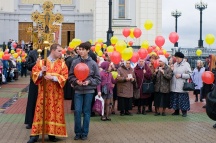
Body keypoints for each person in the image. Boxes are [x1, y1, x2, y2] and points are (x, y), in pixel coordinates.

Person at [27, 44, 68, 143]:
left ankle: (52, 133)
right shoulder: (41, 62)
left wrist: (54, 78)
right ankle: (35, 135)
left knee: (54, 112)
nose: (60, 53)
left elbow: (65, 77)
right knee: (40, 112)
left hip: (56, 94)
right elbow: (34, 74)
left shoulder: (62, 64)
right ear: (53, 51)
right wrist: (41, 72)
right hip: (43, 93)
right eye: (59, 51)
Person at [68, 42, 101, 140]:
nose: (80, 51)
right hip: (78, 90)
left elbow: (98, 79)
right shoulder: (75, 62)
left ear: (88, 50)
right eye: (79, 49)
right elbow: (70, 76)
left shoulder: (93, 63)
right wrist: (75, 81)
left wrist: (89, 81)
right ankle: (77, 132)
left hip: (89, 91)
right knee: (77, 111)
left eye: (82, 49)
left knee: (86, 112)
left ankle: (85, 133)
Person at [24, 48, 48, 129]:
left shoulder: (49, 52)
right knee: (33, 100)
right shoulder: (32, 52)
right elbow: (27, 65)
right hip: (35, 80)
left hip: (46, 81)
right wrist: (36, 63)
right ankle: (30, 121)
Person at [170, 52, 192, 117]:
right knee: (175, 98)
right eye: (175, 58)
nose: (176, 59)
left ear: (181, 58)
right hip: (174, 85)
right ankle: (176, 111)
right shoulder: (175, 64)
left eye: (177, 58)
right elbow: (173, 73)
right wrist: (171, 70)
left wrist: (181, 75)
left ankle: (184, 112)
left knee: (183, 99)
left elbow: (190, 75)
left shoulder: (186, 64)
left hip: (182, 85)